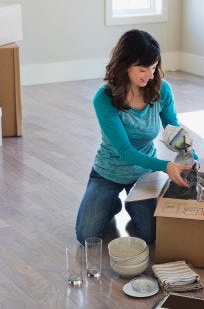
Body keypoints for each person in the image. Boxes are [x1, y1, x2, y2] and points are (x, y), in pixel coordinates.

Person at [75, 29, 197, 245]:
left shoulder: (161, 89)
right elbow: (125, 150)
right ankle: (111, 203)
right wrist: (166, 166)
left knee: (152, 236)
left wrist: (192, 156)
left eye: (153, 67)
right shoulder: (104, 98)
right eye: (143, 69)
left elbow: (173, 129)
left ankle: (134, 202)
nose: (150, 75)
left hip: (143, 174)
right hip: (108, 172)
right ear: (125, 65)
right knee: (86, 236)